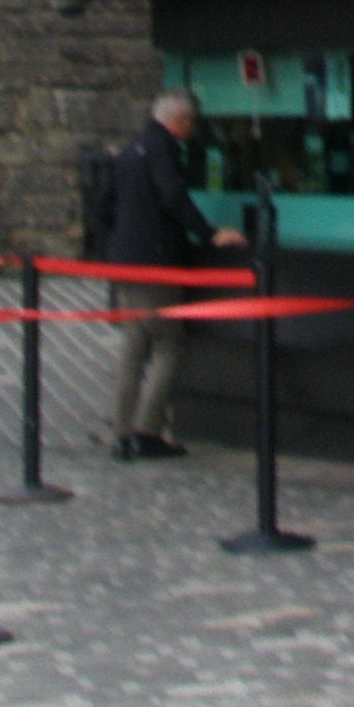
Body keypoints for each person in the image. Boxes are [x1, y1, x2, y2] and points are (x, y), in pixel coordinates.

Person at [105, 88, 246, 460]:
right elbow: (173, 196)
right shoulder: (163, 151)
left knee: (134, 346)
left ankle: (122, 431)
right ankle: (147, 431)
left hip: (124, 261)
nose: (191, 130)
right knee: (170, 345)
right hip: (156, 264)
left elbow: (106, 205)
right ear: (180, 121)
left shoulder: (130, 151)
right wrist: (209, 232)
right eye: (191, 123)